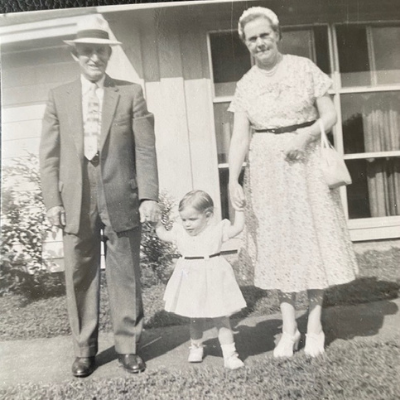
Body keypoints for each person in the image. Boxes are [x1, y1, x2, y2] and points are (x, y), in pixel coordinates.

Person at [228, 7, 358, 358]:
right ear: (246, 44)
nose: (259, 43)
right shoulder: (246, 85)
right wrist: (232, 179)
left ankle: (314, 325)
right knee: (279, 245)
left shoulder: (304, 68)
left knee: (312, 239)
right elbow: (240, 137)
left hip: (306, 165)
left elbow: (329, 114)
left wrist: (306, 134)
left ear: (277, 34)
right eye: (252, 39)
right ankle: (289, 329)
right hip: (267, 171)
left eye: (264, 35)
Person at [40, 14, 159, 377]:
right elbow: (49, 156)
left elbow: (145, 150)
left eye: (101, 52)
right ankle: (85, 350)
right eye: (87, 52)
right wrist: (52, 202)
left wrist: (149, 195)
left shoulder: (130, 93)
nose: (94, 58)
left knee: (125, 272)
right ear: (76, 55)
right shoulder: (58, 96)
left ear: (109, 55)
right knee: (80, 274)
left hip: (121, 192)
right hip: (76, 196)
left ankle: (127, 346)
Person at [155, 190, 246, 369]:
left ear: (208, 215)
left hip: (213, 276)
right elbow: (164, 235)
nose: (187, 224)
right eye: (184, 219)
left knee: (221, 316)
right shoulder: (180, 231)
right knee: (194, 316)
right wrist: (157, 221)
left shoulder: (217, 230)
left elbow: (237, 228)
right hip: (190, 277)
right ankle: (196, 346)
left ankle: (230, 354)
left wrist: (240, 210)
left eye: (192, 219)